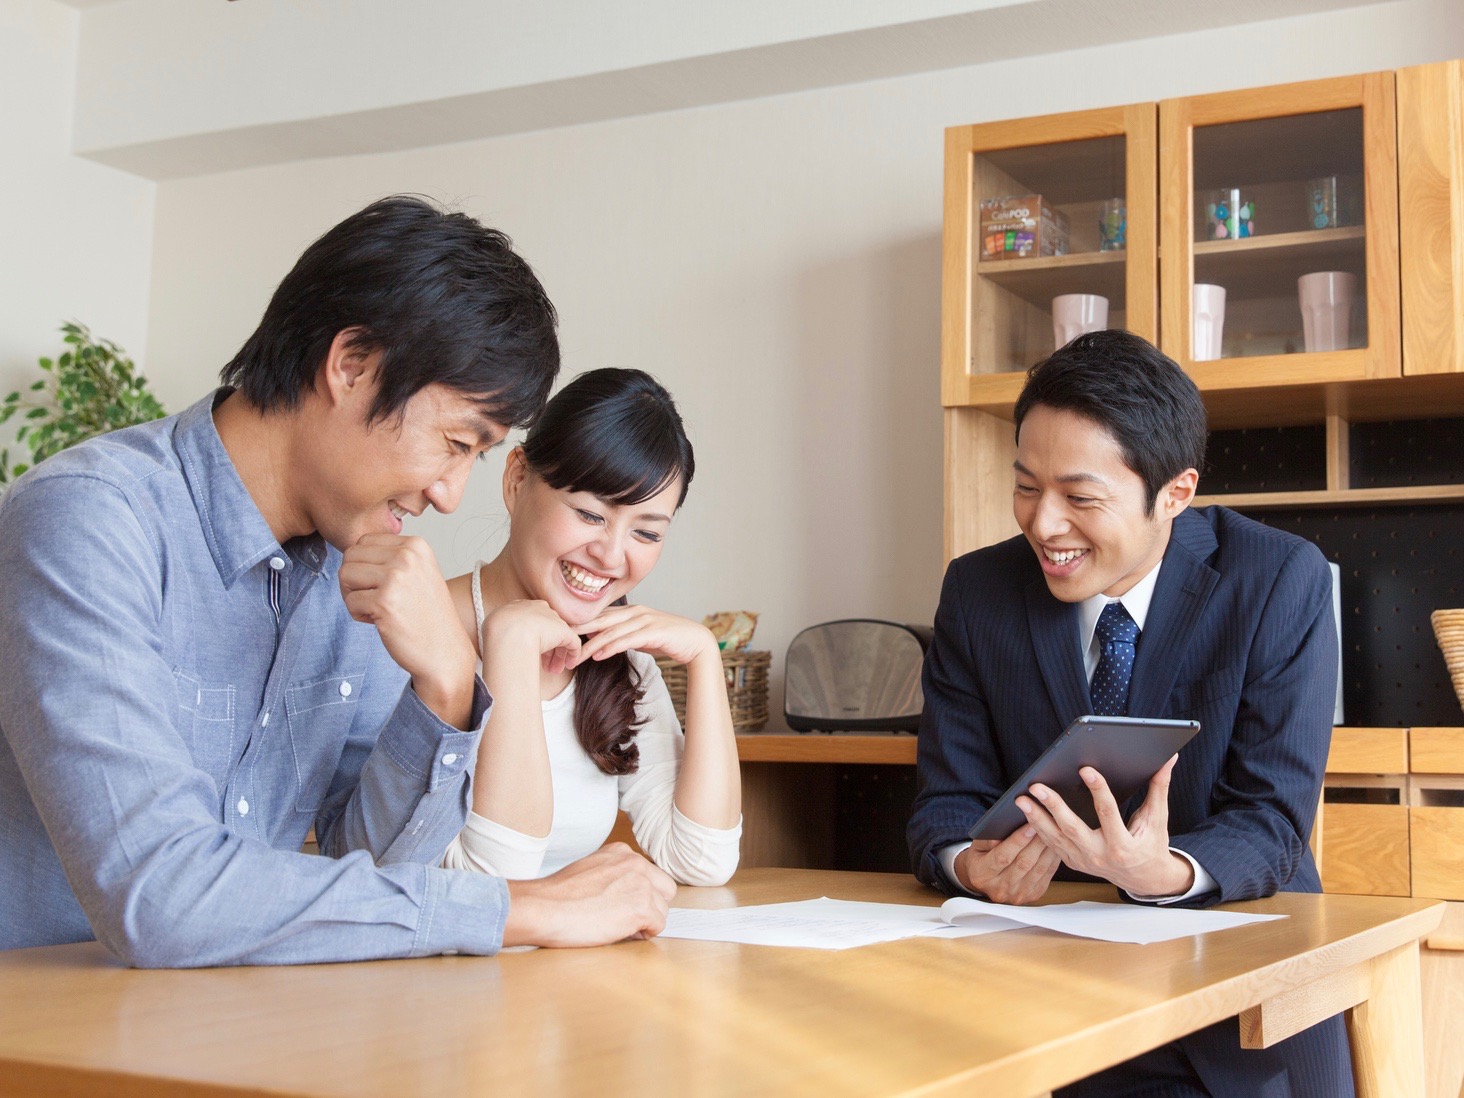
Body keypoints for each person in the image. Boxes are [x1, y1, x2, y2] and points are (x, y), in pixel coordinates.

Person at [0, 195, 674, 966]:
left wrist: (446, 689)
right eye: (456, 443)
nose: (451, 494)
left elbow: (372, 875)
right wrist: (525, 909)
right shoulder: (89, 520)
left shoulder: (355, 564)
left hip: (236, 1020)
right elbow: (161, 897)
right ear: (352, 366)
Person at [907, 330, 1350, 1096]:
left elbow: (1273, 820)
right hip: (1043, 1001)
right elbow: (945, 804)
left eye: (1080, 498)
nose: (1044, 524)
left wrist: (1161, 872)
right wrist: (968, 864)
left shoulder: (1277, 579)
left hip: (1241, 1009)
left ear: (1174, 494)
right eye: (1026, 486)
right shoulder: (979, 593)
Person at [437, 368, 742, 885]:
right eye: (590, 514)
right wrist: (509, 649)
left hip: (565, 940)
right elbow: (490, 881)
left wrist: (704, 657)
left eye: (646, 533)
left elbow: (702, 860)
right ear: (517, 480)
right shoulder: (417, 631)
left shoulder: (617, 659)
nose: (611, 556)